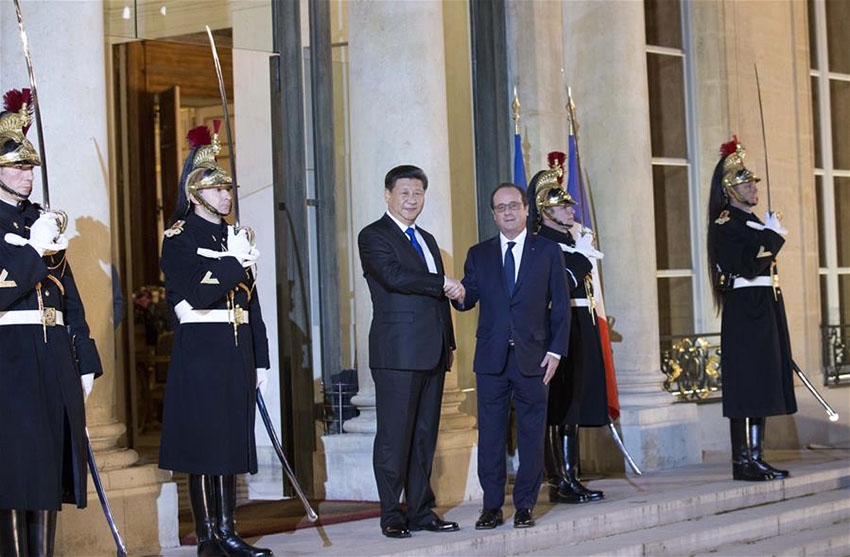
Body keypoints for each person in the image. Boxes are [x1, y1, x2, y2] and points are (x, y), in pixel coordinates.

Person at [158, 122, 271, 556]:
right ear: (195, 193)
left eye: (228, 188)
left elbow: (252, 302)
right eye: (217, 189)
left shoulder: (234, 237)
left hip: (236, 346)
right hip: (202, 349)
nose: (226, 196)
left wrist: (261, 358)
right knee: (205, 445)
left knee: (229, 442)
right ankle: (210, 536)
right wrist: (233, 262)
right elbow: (198, 290)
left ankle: (228, 528)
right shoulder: (179, 238)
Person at [0, 88, 102, 556]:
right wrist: (33, 250)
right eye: (17, 167)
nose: (27, 176)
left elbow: (68, 293)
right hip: (12, 358)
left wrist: (84, 355)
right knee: (16, 468)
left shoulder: (41, 219)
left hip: (53, 352)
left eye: (29, 168)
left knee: (48, 467)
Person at [453, 182, 569, 530]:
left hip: (535, 359)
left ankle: (524, 506)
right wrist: (456, 293)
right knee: (490, 436)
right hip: (491, 360)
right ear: (493, 214)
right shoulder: (479, 254)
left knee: (532, 435)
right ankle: (491, 507)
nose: (507, 212)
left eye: (513, 206)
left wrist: (556, 351)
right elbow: (467, 297)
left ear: (525, 210)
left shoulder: (547, 251)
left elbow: (560, 307)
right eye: (500, 207)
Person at [357, 165, 464, 538]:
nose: (411, 200)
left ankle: (421, 510)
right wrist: (442, 283)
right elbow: (394, 277)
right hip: (397, 355)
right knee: (394, 437)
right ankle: (391, 513)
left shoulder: (429, 239)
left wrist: (448, 343)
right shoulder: (373, 236)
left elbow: (437, 301)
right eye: (404, 193)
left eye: (417, 193)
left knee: (424, 437)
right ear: (387, 195)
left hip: (432, 353)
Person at [706, 136, 796, 482]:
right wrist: (772, 239)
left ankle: (757, 456)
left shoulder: (753, 222)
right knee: (746, 382)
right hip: (746, 307)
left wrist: (766, 233)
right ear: (730, 190)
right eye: (745, 183)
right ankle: (742, 461)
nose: (753, 187)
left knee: (763, 380)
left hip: (765, 305)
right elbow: (748, 265)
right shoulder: (727, 224)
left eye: (753, 182)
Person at [527, 162, 608, 504]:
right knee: (561, 404)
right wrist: (583, 260)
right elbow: (559, 284)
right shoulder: (543, 243)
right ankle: (561, 479)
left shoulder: (567, 240)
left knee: (575, 402)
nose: (570, 210)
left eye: (570, 205)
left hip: (581, 324)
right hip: (559, 329)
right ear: (545, 211)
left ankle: (572, 474)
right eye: (562, 206)